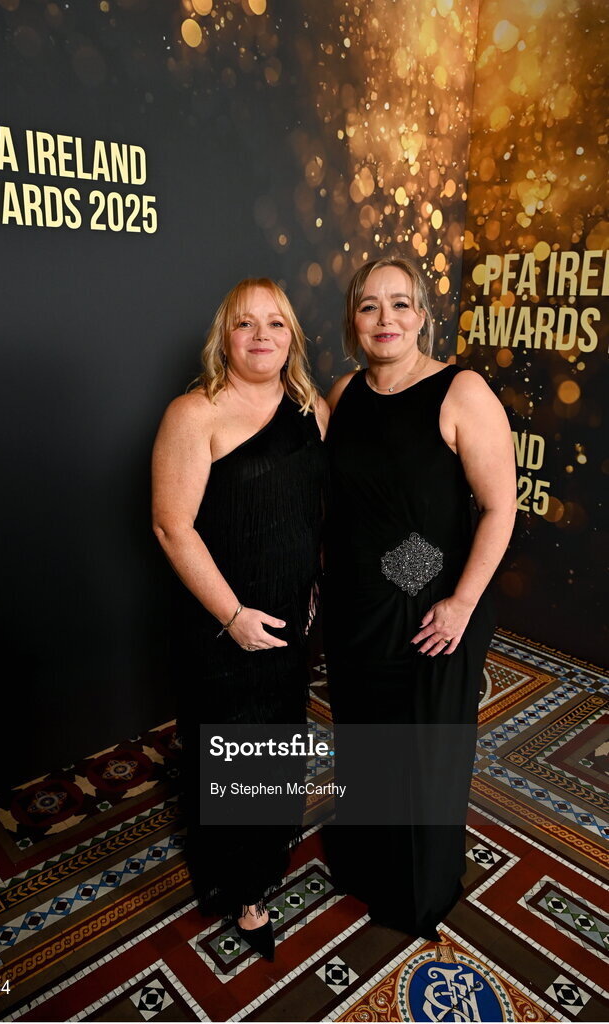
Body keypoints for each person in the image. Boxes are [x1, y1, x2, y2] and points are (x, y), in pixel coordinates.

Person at [323, 255, 516, 940]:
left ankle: (414, 891)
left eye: (400, 304)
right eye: (370, 306)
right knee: (367, 744)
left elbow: (499, 508)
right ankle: (364, 861)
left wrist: (462, 602)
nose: (386, 319)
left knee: (423, 750)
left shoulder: (460, 391)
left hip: (434, 601)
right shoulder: (342, 392)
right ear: (354, 319)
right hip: (357, 607)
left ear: (422, 317)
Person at [152, 278, 329, 961]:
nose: (262, 336)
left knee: (277, 747)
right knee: (226, 755)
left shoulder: (311, 406)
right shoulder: (193, 413)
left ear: (292, 337)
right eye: (245, 324)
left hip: (289, 622)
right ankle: (237, 891)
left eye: (276, 324)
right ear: (223, 336)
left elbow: (319, 506)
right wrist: (233, 616)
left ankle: (264, 862)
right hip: (223, 625)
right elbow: (172, 528)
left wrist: (316, 575)